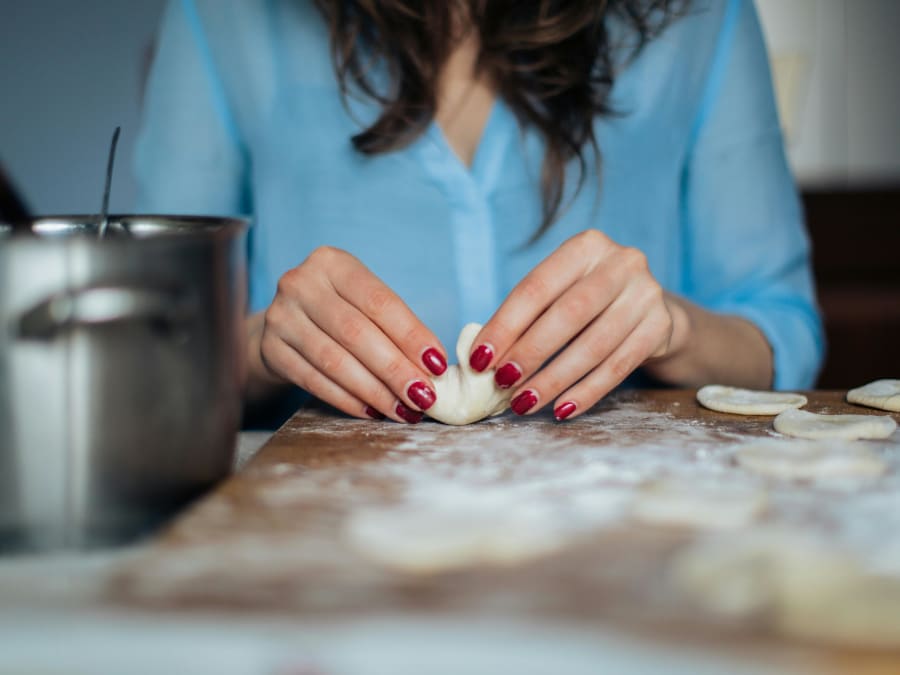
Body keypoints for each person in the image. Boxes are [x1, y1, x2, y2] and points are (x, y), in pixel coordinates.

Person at [135, 0, 824, 427]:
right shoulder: (220, 14)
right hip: (319, 538)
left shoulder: (701, 17)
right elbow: (152, 360)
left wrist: (673, 327)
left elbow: (782, 334)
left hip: (630, 530)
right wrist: (260, 347)